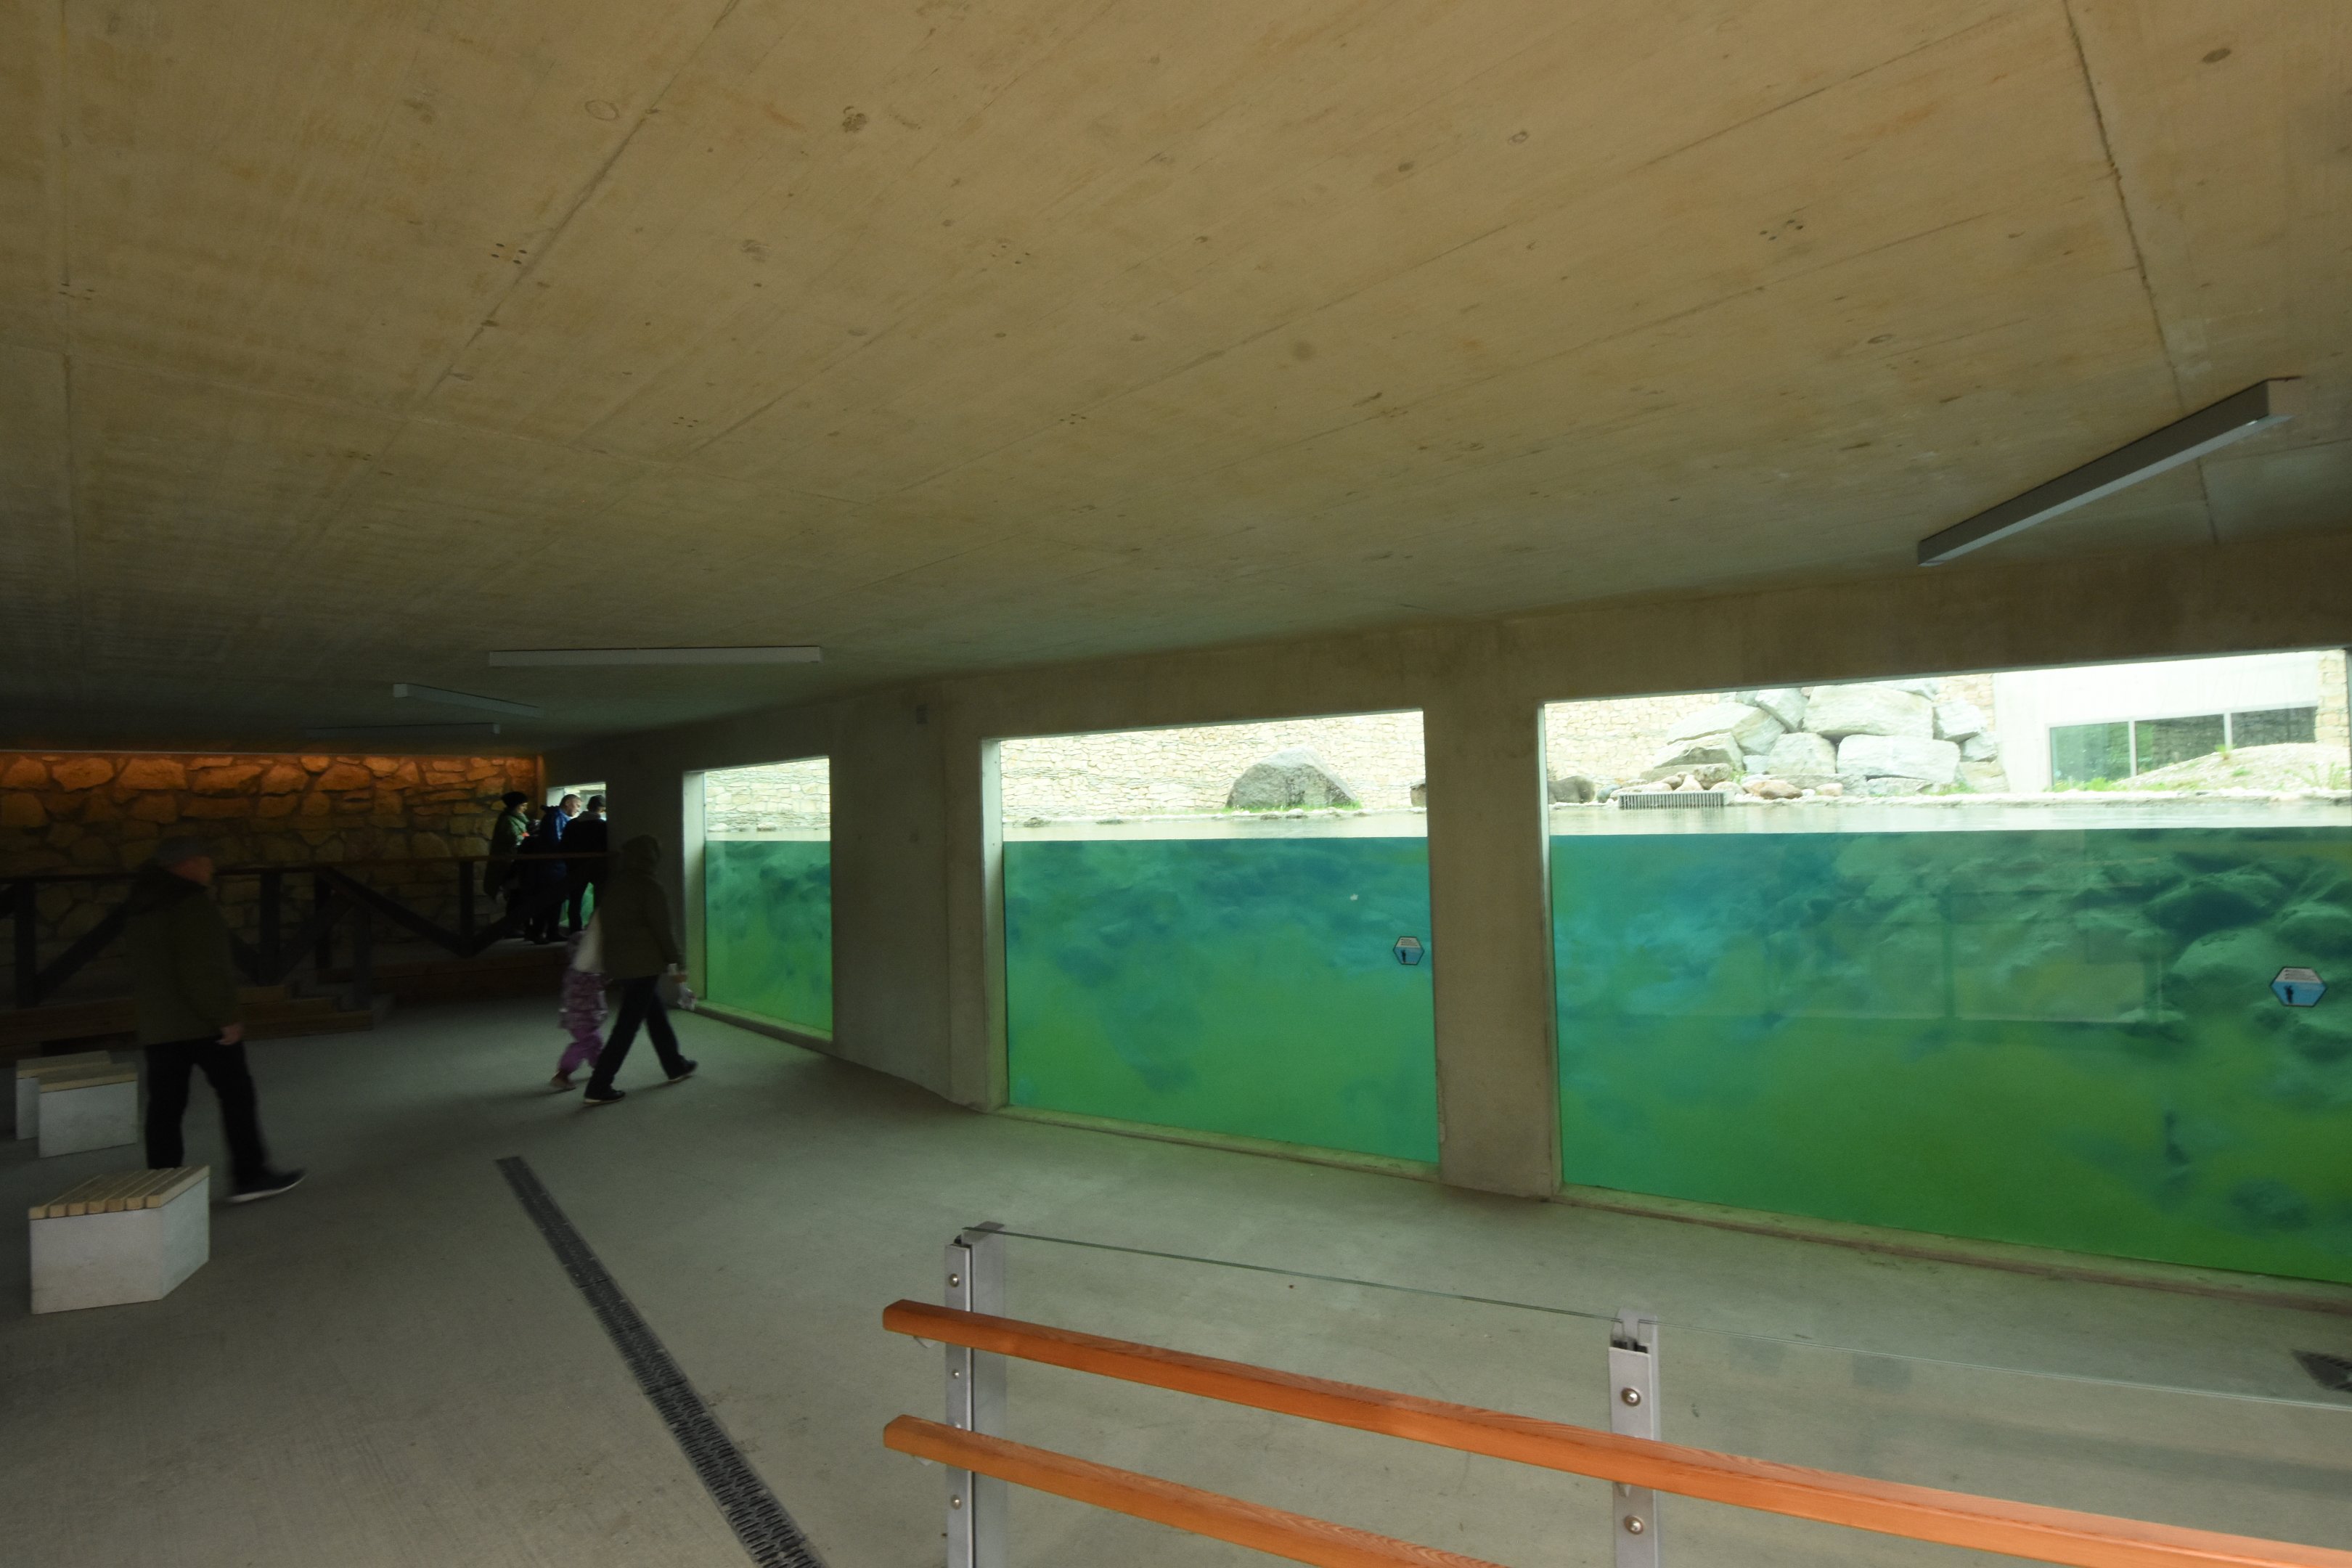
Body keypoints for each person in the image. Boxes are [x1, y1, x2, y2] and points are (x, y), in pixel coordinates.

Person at [125, 838, 303, 1202]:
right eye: (206, 861)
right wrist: (226, 1017)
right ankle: (249, 1174)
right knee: (237, 1093)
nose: (211, 869)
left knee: (165, 1107)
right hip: (201, 1024)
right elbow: (202, 970)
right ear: (185, 864)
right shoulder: (189, 904)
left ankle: (162, 1186)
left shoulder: (141, 903)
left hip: (160, 1025)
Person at [581, 834, 698, 1105]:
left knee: (655, 1016)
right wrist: (678, 962)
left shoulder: (616, 884)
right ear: (651, 857)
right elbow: (663, 931)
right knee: (626, 1027)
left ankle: (675, 1065)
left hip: (620, 965)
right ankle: (599, 1085)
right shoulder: (649, 886)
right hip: (643, 965)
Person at [550, 922, 607, 1089]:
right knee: (588, 1042)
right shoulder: (579, 972)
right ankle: (563, 1073)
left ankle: (600, 1066)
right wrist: (607, 976)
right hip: (579, 1017)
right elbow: (593, 986)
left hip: (586, 1016)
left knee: (595, 1041)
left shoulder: (586, 969)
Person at [518, 794, 578, 944]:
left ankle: (550, 931)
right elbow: (556, 841)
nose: (577, 809)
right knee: (548, 900)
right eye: (576, 805)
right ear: (567, 804)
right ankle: (540, 932)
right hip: (552, 867)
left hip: (552, 866)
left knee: (553, 900)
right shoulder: (556, 818)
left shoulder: (554, 816)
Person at [561, 793, 609, 934]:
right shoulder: (601, 826)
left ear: (588, 807)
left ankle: (575, 930)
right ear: (602, 809)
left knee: (575, 900)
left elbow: (564, 845)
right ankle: (596, 930)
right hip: (596, 868)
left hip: (575, 867)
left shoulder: (572, 824)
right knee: (599, 899)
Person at [485, 791, 530, 910]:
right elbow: (516, 839)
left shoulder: (514, 819)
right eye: (523, 806)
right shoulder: (508, 821)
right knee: (515, 897)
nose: (525, 808)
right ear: (516, 806)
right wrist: (528, 836)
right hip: (510, 864)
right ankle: (513, 925)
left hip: (514, 863)